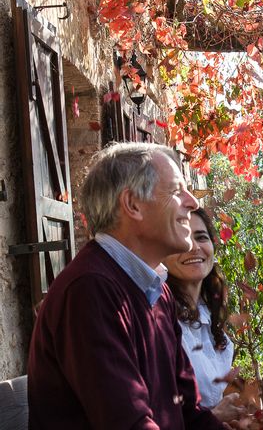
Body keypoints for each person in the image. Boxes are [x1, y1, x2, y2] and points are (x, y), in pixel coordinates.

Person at [27, 143, 224, 430]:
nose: (193, 202)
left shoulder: (158, 291)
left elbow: (189, 414)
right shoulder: (89, 290)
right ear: (132, 205)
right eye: (176, 190)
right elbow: (128, 424)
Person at [165, 207, 234, 409]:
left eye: (201, 237)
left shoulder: (209, 311)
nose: (194, 247)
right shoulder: (160, 318)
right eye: (182, 238)